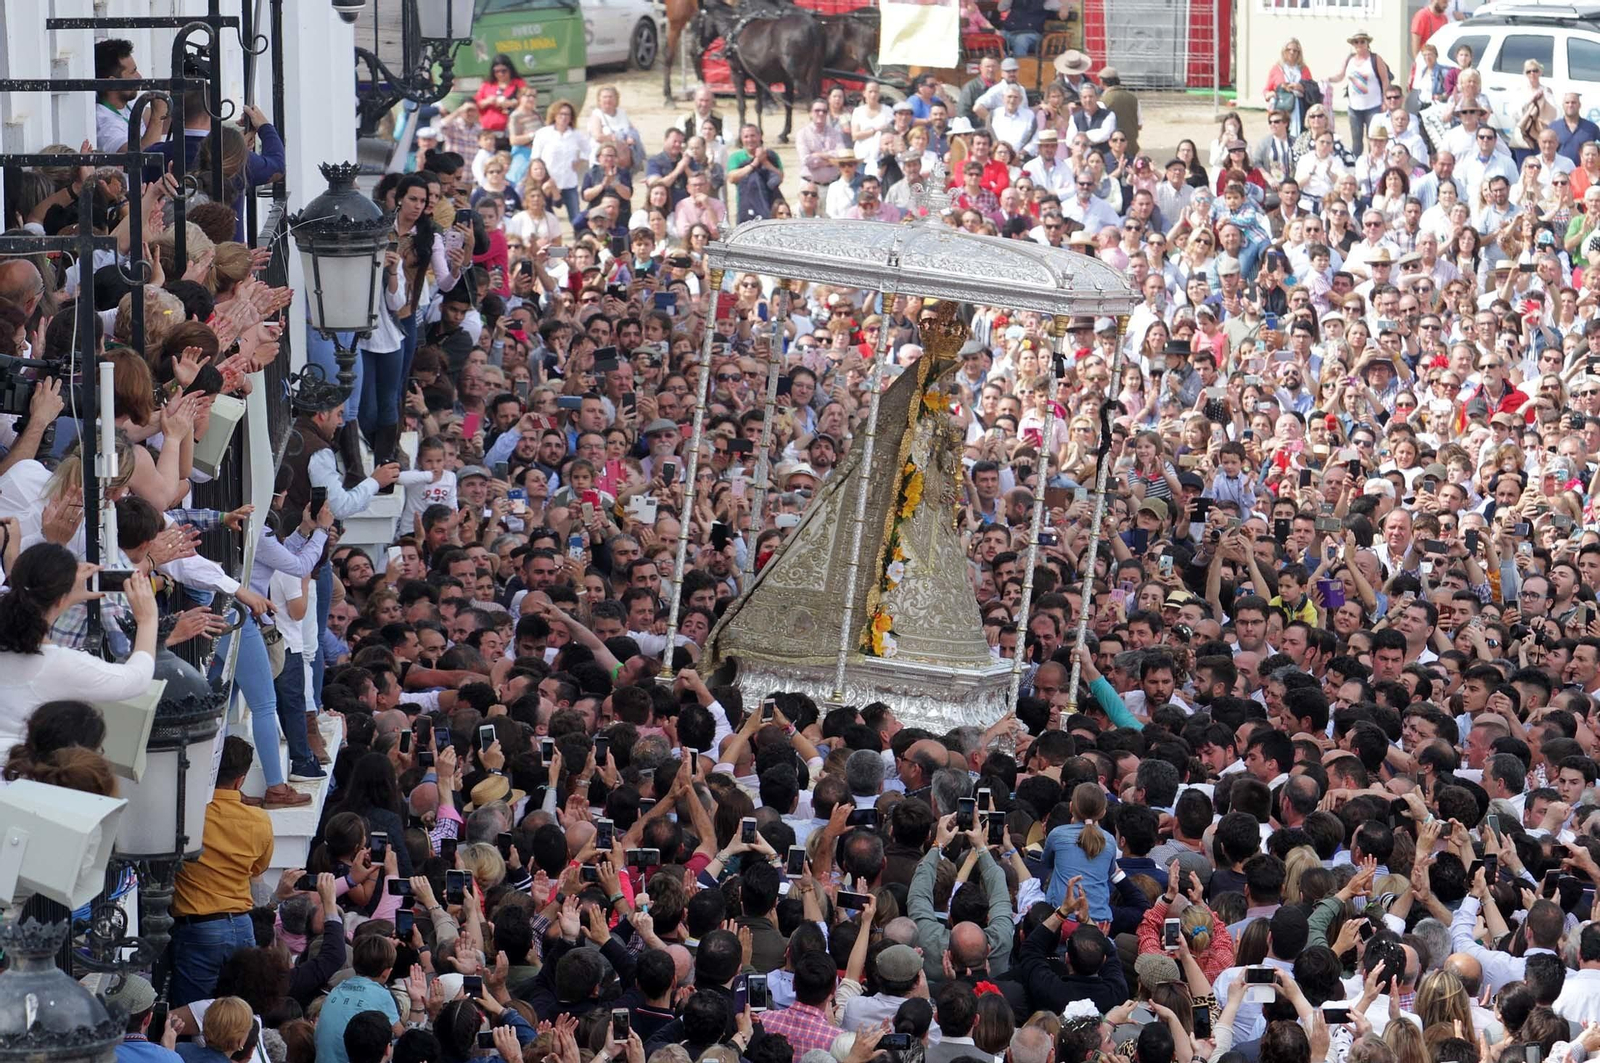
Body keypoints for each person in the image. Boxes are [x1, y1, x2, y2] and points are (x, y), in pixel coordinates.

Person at [0, 543, 158, 758]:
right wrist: (147, 620)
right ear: (60, 599)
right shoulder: (61, 664)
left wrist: (67, 593)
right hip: (19, 774)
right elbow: (137, 679)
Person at [168, 737, 273, 1007]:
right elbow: (257, 869)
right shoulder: (259, 820)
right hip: (242, 925)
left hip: (200, 928)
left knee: (193, 1017)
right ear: (241, 779)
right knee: (240, 1015)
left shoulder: (187, 814)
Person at [1326, 31, 1393, 156]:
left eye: (1362, 41)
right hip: (1354, 107)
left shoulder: (1375, 59)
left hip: (1373, 106)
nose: (1359, 44)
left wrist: (1385, 100)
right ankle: (1356, 164)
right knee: (1356, 140)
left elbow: (1385, 80)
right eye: (1356, 42)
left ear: (1367, 43)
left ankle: (1374, 163)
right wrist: (1329, 79)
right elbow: (1340, 76)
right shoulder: (1349, 59)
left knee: (1373, 138)